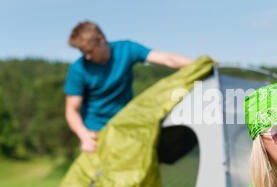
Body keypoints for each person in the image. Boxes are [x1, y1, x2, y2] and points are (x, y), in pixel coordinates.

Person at [64, 21, 194, 153]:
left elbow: (166, 59)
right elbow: (72, 110)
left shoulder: (126, 49)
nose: (87, 56)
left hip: (127, 125)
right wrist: (84, 135)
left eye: (90, 51)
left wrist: (199, 64)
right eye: (83, 52)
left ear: (101, 40)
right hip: (96, 131)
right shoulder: (78, 69)